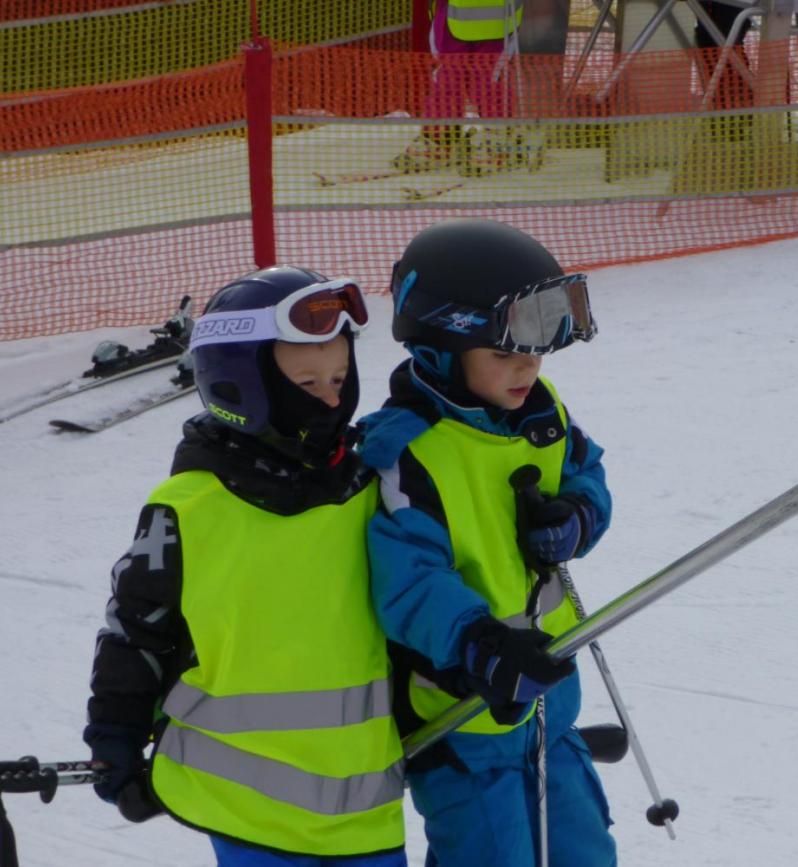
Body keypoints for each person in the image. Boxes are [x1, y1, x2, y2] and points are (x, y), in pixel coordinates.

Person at [82, 265, 408, 867]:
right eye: (307, 382)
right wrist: (116, 735)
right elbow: (137, 630)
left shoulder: (367, 486)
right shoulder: (188, 508)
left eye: (340, 377)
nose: (333, 398)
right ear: (241, 387)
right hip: (241, 805)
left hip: (363, 804)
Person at [362, 219, 617, 867]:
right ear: (441, 349)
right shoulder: (405, 451)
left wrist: (577, 516)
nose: (526, 369)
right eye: (504, 355)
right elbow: (408, 582)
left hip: (548, 707)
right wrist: (479, 644)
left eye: (534, 354)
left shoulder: (542, 413)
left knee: (584, 852)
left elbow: (589, 474)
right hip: (465, 713)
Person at [395, 0, 528, 177]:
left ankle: (500, 138)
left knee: (490, 78)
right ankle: (441, 137)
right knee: (449, 76)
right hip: (453, 16)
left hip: (498, 19)